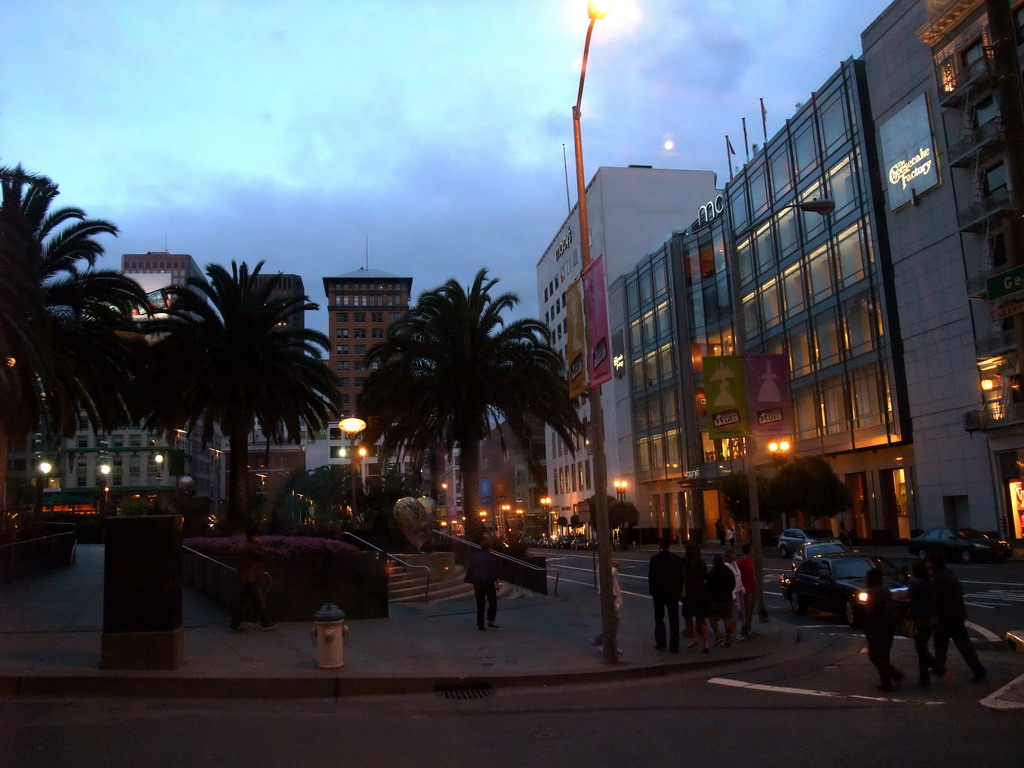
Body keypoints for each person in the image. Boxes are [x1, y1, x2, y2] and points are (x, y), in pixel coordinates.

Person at [929, 551, 987, 682]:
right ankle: (977, 670)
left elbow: (937, 598)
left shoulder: (939, 578)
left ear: (932, 563)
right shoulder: (948, 574)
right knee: (956, 643)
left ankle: (977, 670)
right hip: (955, 614)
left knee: (947, 643)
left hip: (946, 616)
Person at [863, 567, 903, 692]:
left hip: (876, 628)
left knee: (874, 655)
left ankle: (894, 675)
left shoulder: (872, 593)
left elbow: (871, 612)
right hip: (888, 626)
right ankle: (887, 683)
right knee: (884, 655)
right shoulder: (885, 590)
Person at [230, 526, 276, 632]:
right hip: (251, 578)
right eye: (257, 535)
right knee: (247, 602)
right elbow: (262, 554)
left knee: (256, 601)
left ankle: (265, 622)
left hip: (249, 577)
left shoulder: (246, 547)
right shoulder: (252, 548)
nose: (259, 538)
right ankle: (264, 622)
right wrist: (259, 544)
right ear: (253, 536)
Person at [647, 538, 684, 653]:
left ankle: (661, 642)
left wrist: (652, 591)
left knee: (659, 618)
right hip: (672, 592)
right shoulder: (676, 559)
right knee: (674, 618)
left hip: (658, 593)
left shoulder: (655, 559)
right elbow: (680, 577)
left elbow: (651, 577)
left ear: (660, 546)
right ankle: (674, 645)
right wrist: (678, 591)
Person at [907, 559, 939, 686]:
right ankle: (925, 677)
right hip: (931, 617)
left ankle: (937, 671)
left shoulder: (915, 583)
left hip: (920, 619)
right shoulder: (930, 582)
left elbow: (912, 599)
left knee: (921, 648)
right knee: (922, 647)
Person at [682, 542, 711, 653]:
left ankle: (694, 637)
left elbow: (682, 576)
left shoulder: (684, 561)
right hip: (700, 591)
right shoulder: (701, 562)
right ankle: (706, 642)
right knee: (701, 617)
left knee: (688, 616)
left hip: (689, 592)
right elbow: (705, 575)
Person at [591, 559, 623, 653]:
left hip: (612, 594)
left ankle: (607, 642)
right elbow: (609, 574)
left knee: (613, 620)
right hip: (609, 595)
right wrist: (614, 566)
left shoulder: (606, 563)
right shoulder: (603, 563)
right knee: (614, 620)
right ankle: (600, 640)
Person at [468, 538, 500, 630]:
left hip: (478, 582)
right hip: (488, 581)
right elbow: (493, 570)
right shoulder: (491, 557)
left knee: (480, 603)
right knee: (492, 601)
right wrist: (496, 582)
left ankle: (480, 624)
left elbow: (471, 567)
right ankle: (490, 620)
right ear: (489, 547)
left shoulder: (475, 556)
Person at [706, 553, 737, 647]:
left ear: (714, 562)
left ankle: (718, 634)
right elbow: (733, 583)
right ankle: (728, 639)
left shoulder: (712, 573)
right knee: (727, 619)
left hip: (715, 600)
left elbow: (708, 587)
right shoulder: (728, 571)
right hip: (727, 598)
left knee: (712, 618)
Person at [736, 543, 757, 638]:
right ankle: (745, 629)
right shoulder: (742, 562)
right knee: (747, 610)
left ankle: (749, 628)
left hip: (752, 588)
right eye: (751, 549)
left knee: (750, 610)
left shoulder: (750, 561)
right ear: (748, 551)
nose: (753, 551)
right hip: (746, 589)